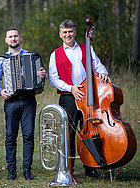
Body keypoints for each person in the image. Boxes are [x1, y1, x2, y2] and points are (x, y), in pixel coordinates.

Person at [49, 19, 110, 178]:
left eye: (70, 32)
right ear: (60, 35)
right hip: (68, 98)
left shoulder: (87, 48)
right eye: (65, 32)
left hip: (88, 98)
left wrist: (103, 72)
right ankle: (68, 170)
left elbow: (98, 65)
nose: (68, 35)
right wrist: (71, 88)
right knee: (68, 134)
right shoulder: (55, 54)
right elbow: (53, 79)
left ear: (75, 33)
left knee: (90, 133)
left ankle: (91, 168)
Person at [0, 28, 46, 180]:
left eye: (15, 36)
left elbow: (42, 76)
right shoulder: (1, 60)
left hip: (29, 100)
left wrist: (43, 75)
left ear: (20, 38)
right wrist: (0, 91)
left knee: (28, 135)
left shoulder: (31, 56)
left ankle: (27, 169)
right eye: (10, 37)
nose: (13, 39)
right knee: (11, 136)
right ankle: (11, 170)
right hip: (11, 101)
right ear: (6, 40)